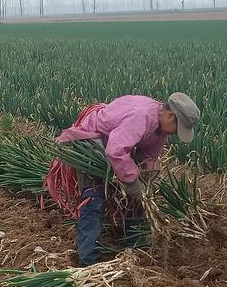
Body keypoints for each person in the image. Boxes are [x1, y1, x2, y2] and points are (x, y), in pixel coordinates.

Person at [55, 93, 200, 266]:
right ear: (170, 116)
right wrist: (132, 182)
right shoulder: (142, 116)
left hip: (114, 143)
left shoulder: (160, 127)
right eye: (178, 128)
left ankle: (135, 248)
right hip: (92, 142)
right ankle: (88, 261)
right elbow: (115, 151)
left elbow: (149, 156)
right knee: (94, 199)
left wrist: (147, 181)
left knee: (134, 202)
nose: (176, 133)